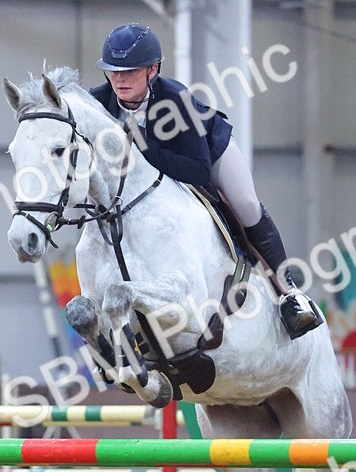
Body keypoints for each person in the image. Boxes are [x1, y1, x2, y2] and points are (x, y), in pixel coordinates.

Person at [90, 22, 322, 339]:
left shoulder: (176, 99)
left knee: (245, 204)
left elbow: (199, 171)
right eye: (114, 71)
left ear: (152, 70)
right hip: (158, 173)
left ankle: (290, 294)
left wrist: (145, 149)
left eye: (129, 71)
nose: (119, 79)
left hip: (209, 153)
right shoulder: (99, 103)